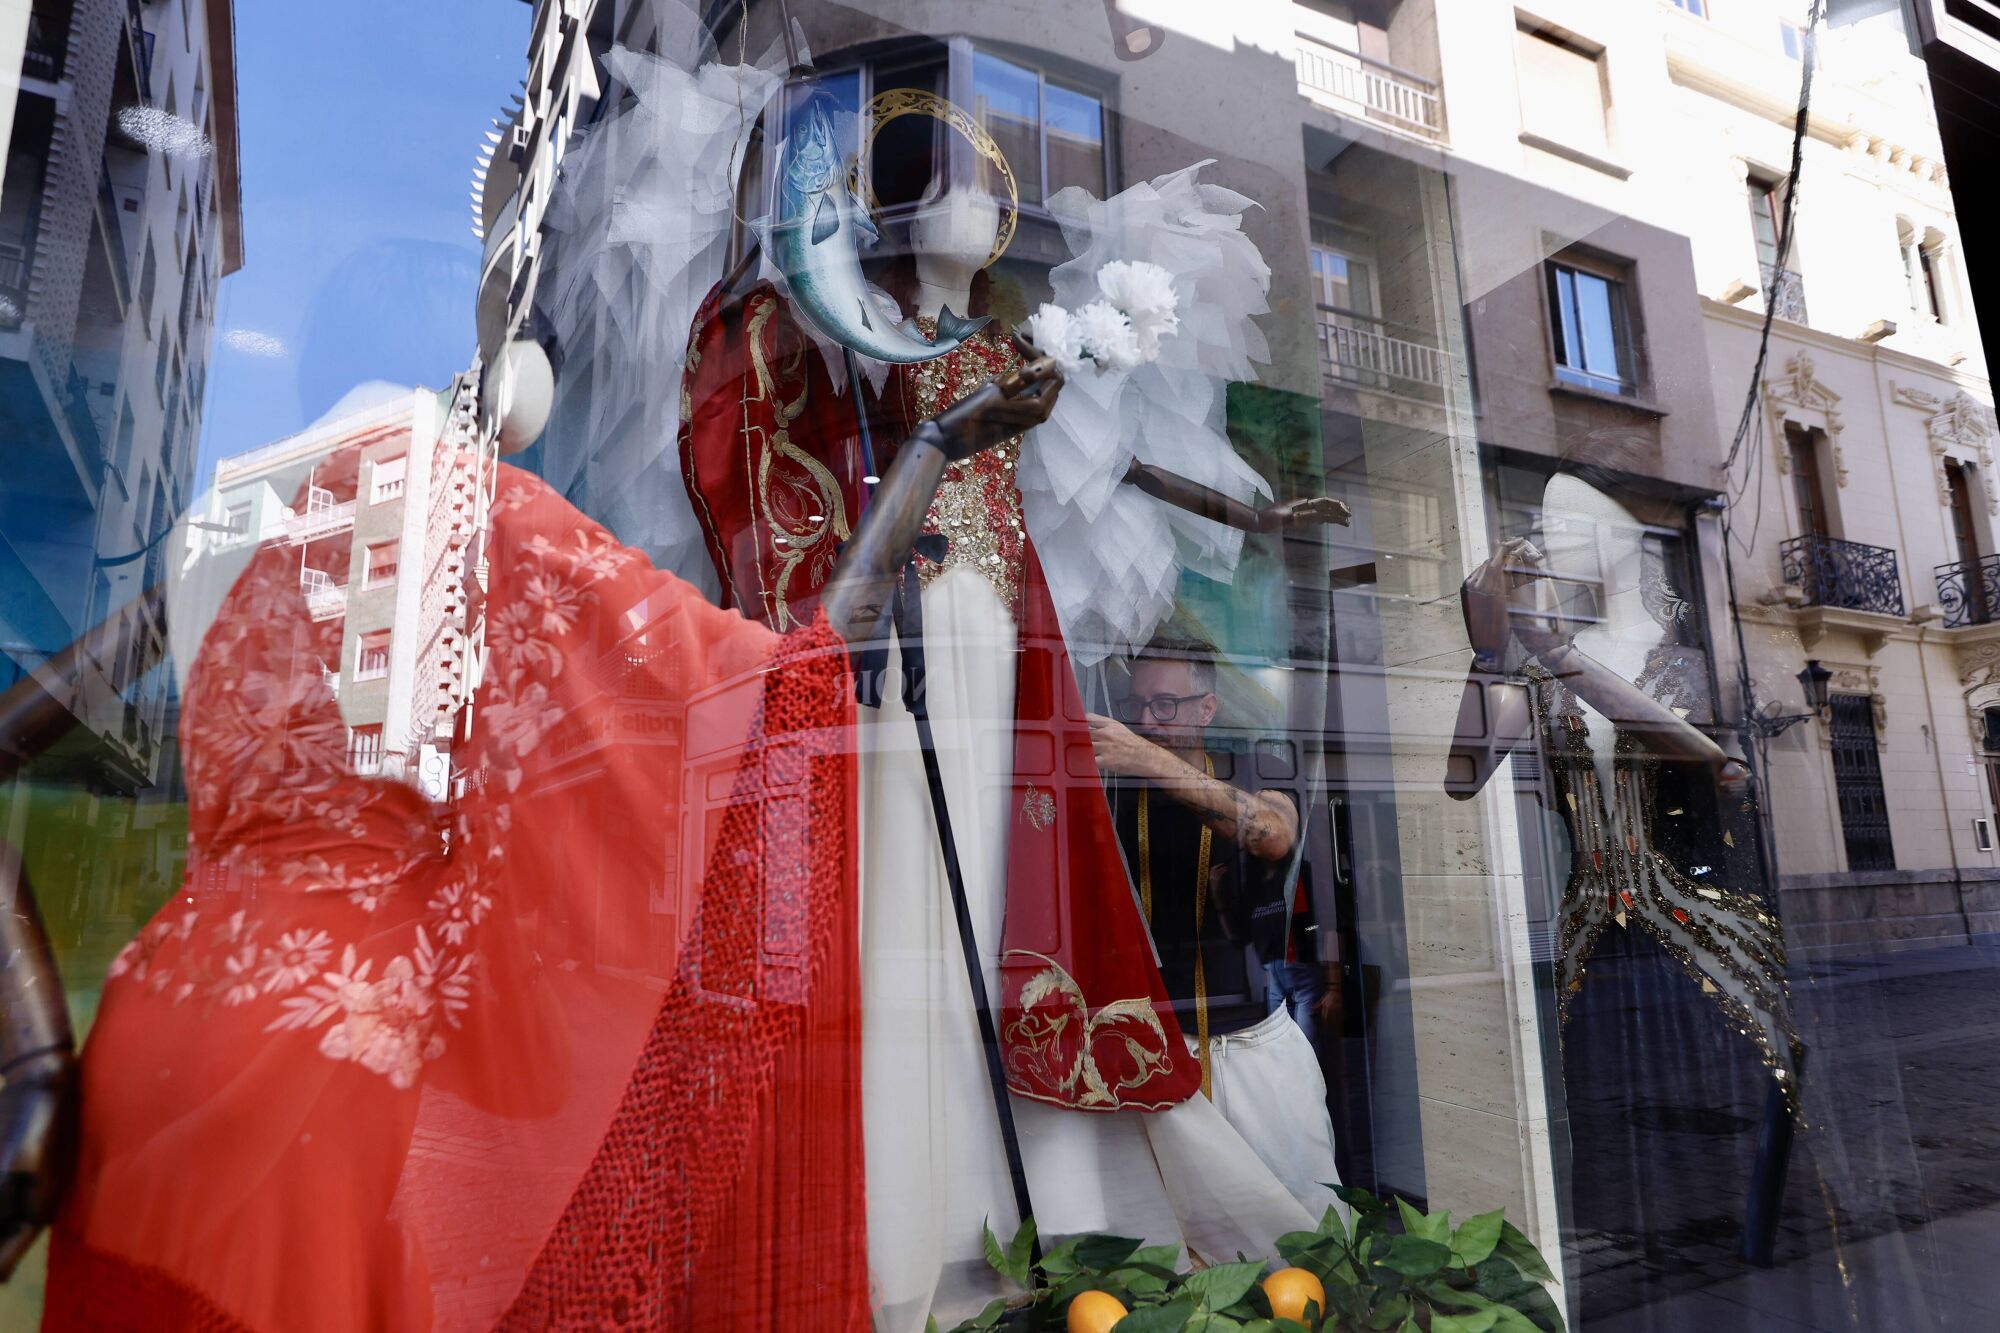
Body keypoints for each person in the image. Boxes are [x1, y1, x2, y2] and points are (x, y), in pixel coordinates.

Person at [2, 349, 1064, 1331]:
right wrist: (930, 450)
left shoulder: (223, 526)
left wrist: (38, 1055)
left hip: (153, 1033)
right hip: (322, 1076)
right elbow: (780, 693)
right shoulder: (458, 510)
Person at [1086, 633, 1344, 1222]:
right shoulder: (1102, 790)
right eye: (1137, 707)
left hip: (1251, 1049)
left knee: (1303, 1228)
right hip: (1147, 1053)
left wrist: (1142, 756)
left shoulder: (1256, 764)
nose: (1148, 721)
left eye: (1166, 705)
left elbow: (1271, 833)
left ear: (1208, 708)